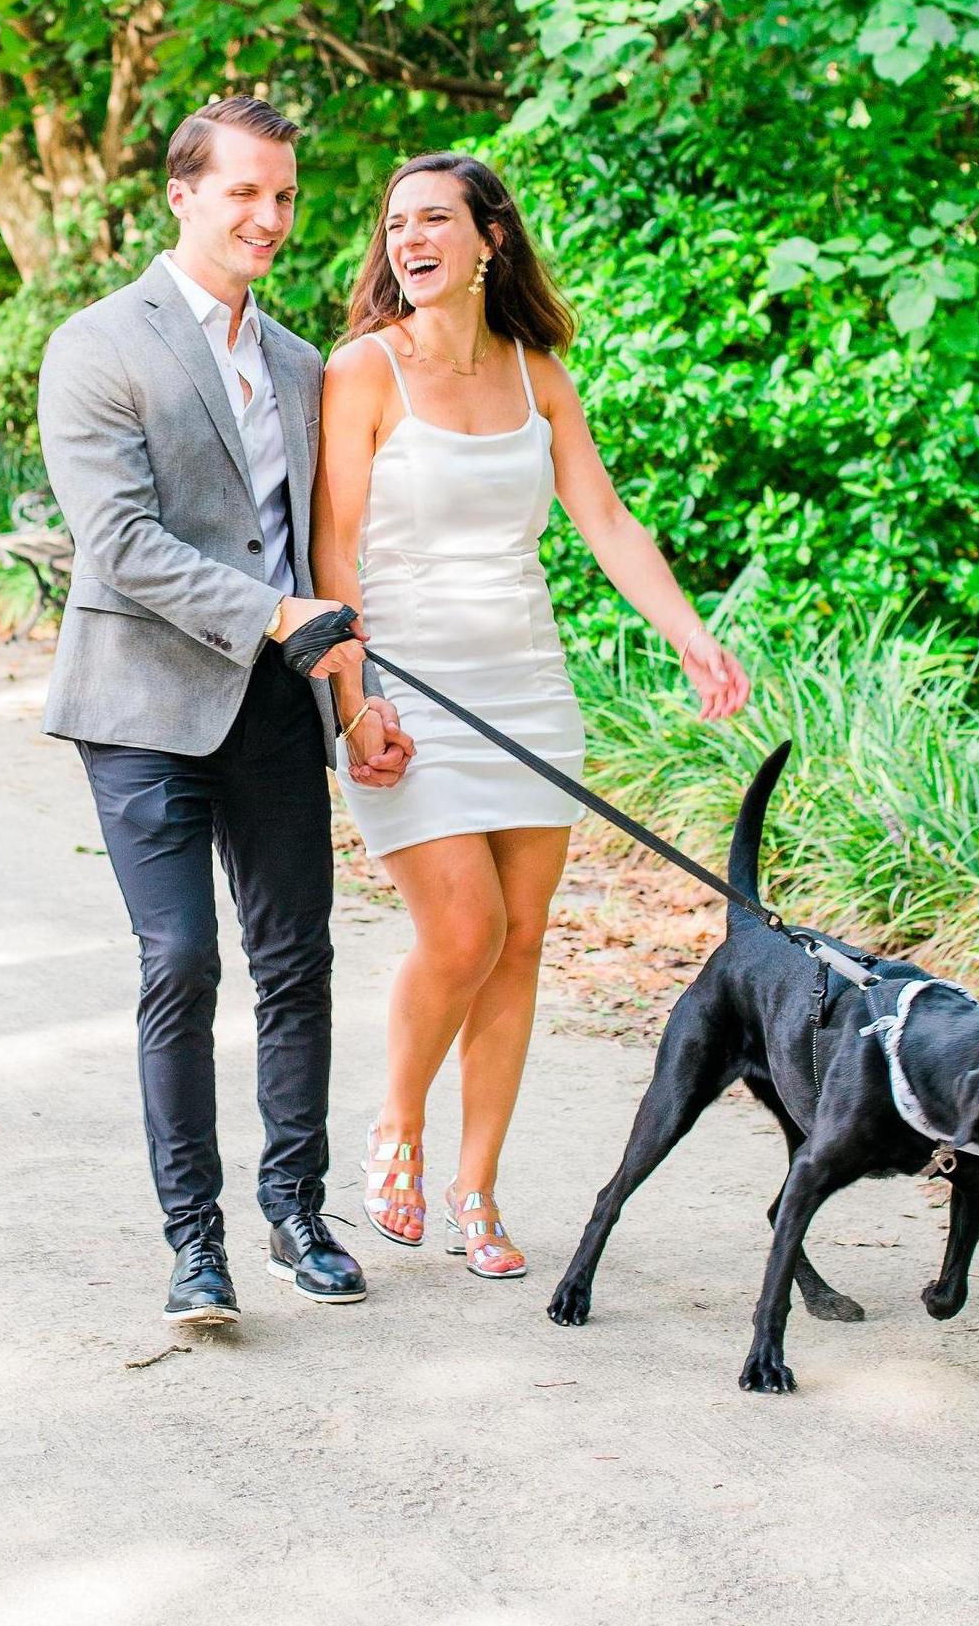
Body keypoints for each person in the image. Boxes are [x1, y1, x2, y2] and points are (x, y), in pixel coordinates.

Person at [312, 151, 750, 1279]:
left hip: (528, 691)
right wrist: (354, 702)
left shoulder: (536, 372)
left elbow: (604, 519)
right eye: (396, 223)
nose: (411, 239)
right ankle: (397, 1123)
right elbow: (333, 553)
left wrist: (691, 633)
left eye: (435, 219)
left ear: (488, 239)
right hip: (409, 692)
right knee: (463, 931)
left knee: (517, 944)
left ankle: (478, 1188)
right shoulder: (364, 370)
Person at [37, 95, 415, 1327]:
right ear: (183, 194)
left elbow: (323, 552)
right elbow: (119, 542)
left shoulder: (303, 364)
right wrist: (270, 612)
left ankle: (298, 1212)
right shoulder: (98, 344)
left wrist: (358, 703)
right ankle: (194, 1247)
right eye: (244, 191)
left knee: (298, 956)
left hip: (275, 706)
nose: (268, 216)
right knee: (183, 960)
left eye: (285, 195)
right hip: (140, 704)